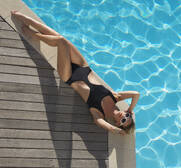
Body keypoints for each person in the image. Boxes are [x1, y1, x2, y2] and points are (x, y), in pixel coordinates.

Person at [11, 11, 139, 135]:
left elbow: (100, 122)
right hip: (83, 67)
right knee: (62, 39)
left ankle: (33, 35)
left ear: (118, 124)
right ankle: (26, 20)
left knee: (60, 41)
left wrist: (116, 130)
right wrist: (130, 109)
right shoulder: (115, 97)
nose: (124, 115)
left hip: (70, 76)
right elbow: (136, 94)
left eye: (123, 120)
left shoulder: (100, 113)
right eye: (127, 116)